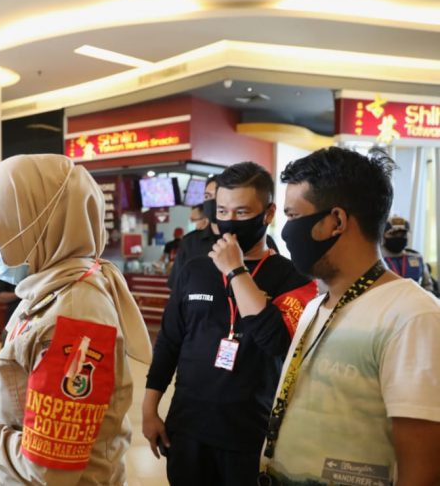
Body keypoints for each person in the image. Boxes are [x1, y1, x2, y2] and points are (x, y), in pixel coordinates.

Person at [0, 154, 153, 485]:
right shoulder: (54, 288)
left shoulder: (73, 316)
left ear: (35, 229)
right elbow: (46, 391)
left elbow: (50, 469)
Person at [261, 147, 440, 485]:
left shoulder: (413, 317)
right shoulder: (316, 307)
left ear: (336, 221)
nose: (286, 233)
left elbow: (423, 470)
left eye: (293, 217)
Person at [142, 162, 318, 486]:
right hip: (187, 428)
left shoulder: (294, 279)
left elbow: (275, 342)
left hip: (251, 435)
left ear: (268, 214)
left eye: (242, 212)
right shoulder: (195, 270)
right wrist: (149, 409)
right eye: (222, 211)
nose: (229, 221)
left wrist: (236, 271)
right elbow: (169, 342)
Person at [168, 177, 219, 289]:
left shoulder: (239, 241)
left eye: (217, 196)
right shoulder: (189, 243)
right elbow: (176, 286)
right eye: (207, 196)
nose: (212, 202)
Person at [381, 215, 435, 293]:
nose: (399, 237)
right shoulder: (376, 260)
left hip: (416, 298)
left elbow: (428, 286)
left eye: (403, 234)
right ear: (382, 235)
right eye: (393, 233)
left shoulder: (416, 257)